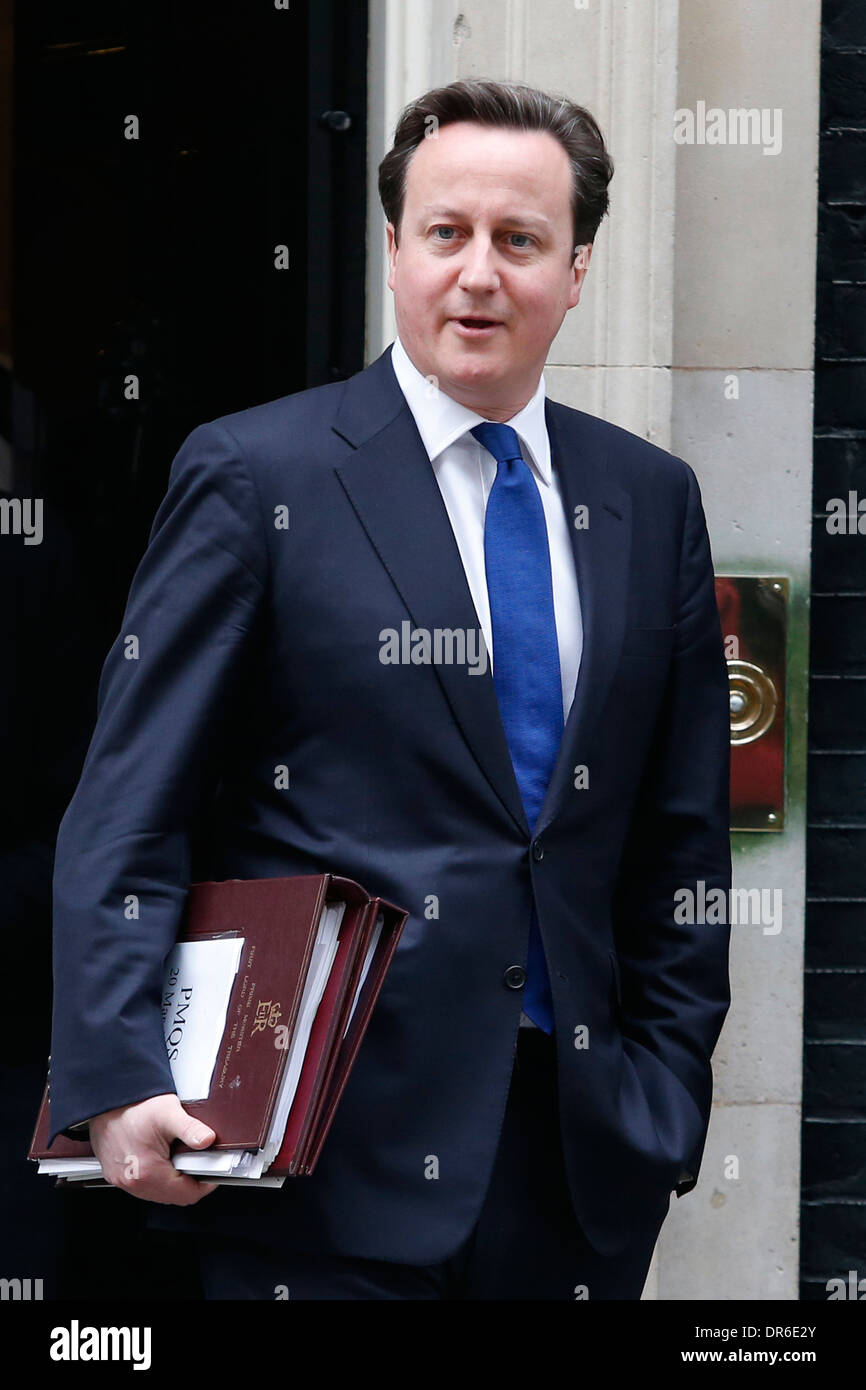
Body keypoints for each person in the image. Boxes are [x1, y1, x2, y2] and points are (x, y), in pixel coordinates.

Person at [48, 78, 732, 1300]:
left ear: (574, 270)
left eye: (518, 240)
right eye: (445, 233)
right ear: (390, 250)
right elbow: (127, 804)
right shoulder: (257, 471)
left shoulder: (649, 499)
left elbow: (678, 835)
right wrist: (110, 1076)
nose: (478, 273)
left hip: (572, 1175)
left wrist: (664, 1101)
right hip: (314, 1163)